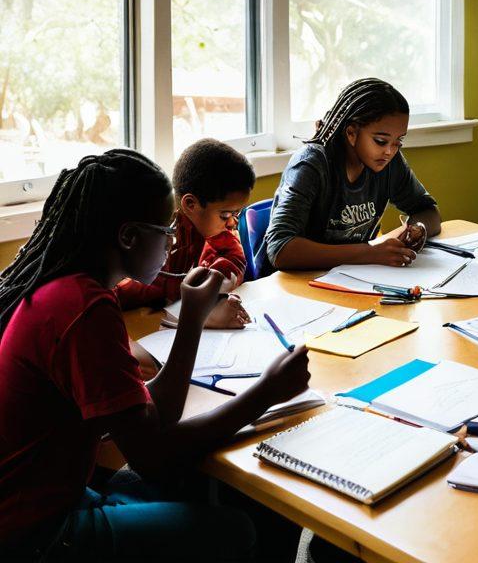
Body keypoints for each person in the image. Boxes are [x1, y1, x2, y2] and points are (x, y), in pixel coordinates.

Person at [0, 148, 311, 560]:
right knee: (237, 528)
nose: (174, 241)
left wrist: (192, 320)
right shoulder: (84, 310)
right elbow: (153, 458)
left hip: (54, 496)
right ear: (128, 236)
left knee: (218, 488)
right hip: (37, 531)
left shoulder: (72, 287)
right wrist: (267, 392)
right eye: (166, 230)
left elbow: (154, 417)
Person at [262, 78, 441, 273]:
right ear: (351, 133)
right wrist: (369, 253)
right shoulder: (311, 164)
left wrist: (417, 229)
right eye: (381, 141)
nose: (390, 151)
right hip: (295, 285)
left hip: (352, 279)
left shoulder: (389, 162)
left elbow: (428, 211)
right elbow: (280, 249)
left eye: (399, 141)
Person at [116, 138, 256, 329]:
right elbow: (119, 296)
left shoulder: (210, 229)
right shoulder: (151, 242)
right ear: (191, 204)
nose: (233, 222)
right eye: (225, 215)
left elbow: (233, 257)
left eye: (237, 213)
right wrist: (201, 312)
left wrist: (214, 290)